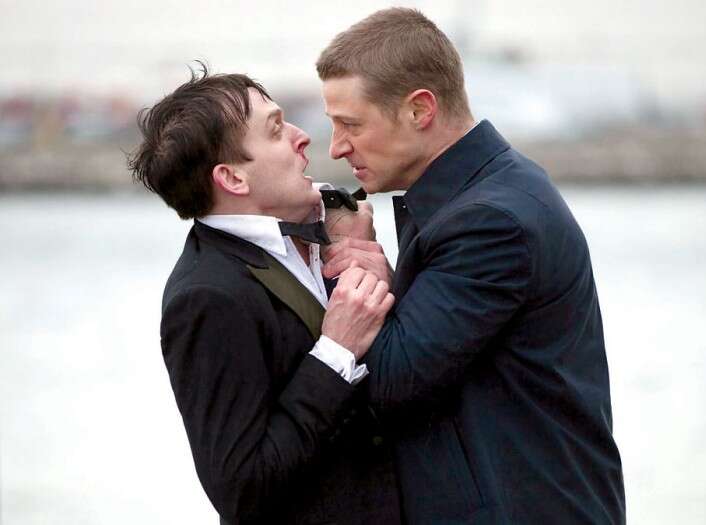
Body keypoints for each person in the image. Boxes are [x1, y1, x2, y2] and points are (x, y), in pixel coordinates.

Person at [317, 8, 626, 524]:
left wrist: (356, 270)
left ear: (420, 109)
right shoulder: (486, 192)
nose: (336, 147)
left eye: (351, 124)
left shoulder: (489, 223)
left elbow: (391, 383)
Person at [128, 65, 402, 524]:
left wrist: (382, 275)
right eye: (276, 130)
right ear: (233, 179)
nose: (302, 137)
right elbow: (242, 487)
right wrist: (336, 351)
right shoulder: (206, 297)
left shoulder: (332, 225)